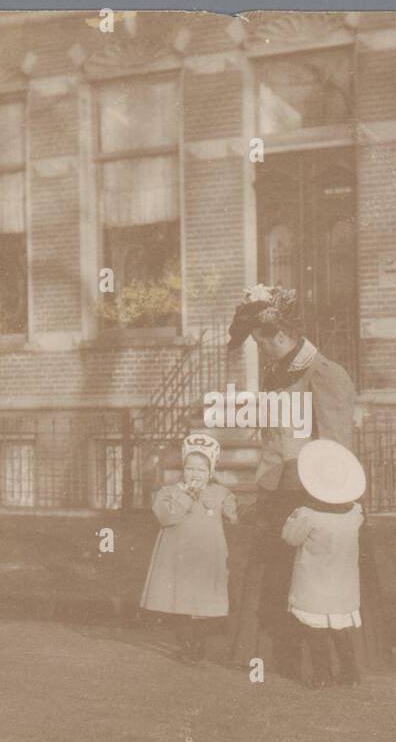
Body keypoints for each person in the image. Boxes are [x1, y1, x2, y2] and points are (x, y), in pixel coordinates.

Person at [224, 285, 358, 678]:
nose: (261, 352)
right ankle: (269, 653)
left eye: (262, 344)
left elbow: (336, 448)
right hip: (276, 488)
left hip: (309, 495)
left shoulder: (324, 374)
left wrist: (322, 503)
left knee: (307, 579)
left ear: (280, 336)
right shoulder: (277, 371)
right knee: (272, 575)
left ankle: (317, 662)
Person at [140, 433, 238, 663]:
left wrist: (231, 507)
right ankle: (186, 645)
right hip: (177, 557)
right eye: (191, 468)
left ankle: (199, 643)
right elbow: (166, 517)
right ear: (183, 468)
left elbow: (233, 518)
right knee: (179, 602)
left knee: (204, 604)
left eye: (201, 470)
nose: (195, 474)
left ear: (211, 472)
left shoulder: (219, 492)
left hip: (206, 556)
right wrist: (187, 497)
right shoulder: (169, 492)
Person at [282, 440, 367, 688]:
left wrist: (293, 517)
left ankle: (322, 673)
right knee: (340, 630)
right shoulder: (355, 515)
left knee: (315, 631)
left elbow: (290, 538)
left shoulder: (308, 515)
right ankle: (351, 672)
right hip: (343, 585)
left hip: (314, 584)